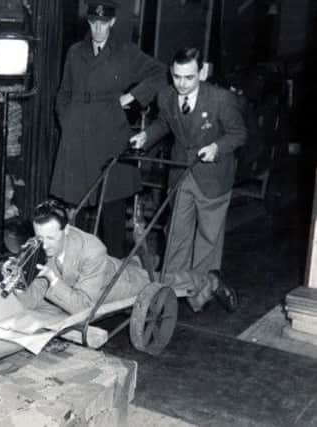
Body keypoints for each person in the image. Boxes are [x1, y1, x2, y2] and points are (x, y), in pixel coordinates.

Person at [51, 0, 167, 258]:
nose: (98, 29)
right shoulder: (75, 52)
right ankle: (74, 267)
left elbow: (161, 73)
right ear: (88, 22)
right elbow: (63, 93)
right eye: (93, 23)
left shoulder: (126, 52)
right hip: (77, 135)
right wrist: (67, 123)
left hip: (109, 134)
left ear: (112, 22)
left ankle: (114, 271)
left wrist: (133, 97)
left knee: (112, 209)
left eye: (103, 23)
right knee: (76, 209)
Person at [130, 48, 246, 287]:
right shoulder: (166, 96)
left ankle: (199, 292)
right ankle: (170, 287)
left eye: (189, 77)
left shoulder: (221, 99)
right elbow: (164, 122)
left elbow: (239, 134)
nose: (181, 84)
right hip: (181, 171)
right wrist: (146, 135)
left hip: (213, 176)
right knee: (175, 233)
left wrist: (216, 146)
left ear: (201, 73)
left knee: (208, 236)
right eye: (177, 76)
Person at [15, 200, 238, 315]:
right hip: (100, 272)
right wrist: (18, 287)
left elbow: (84, 307)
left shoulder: (92, 249)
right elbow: (36, 293)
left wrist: (53, 279)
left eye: (50, 238)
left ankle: (209, 280)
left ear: (66, 231)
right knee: (127, 266)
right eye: (39, 237)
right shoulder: (46, 244)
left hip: (119, 284)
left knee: (163, 281)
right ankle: (142, 261)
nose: (42, 244)